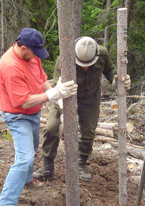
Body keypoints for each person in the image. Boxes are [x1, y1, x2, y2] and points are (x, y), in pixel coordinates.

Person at [0, 27, 77, 206]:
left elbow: (42, 80)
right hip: (18, 116)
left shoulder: (32, 56)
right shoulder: (10, 66)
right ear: (23, 48)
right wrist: (52, 95)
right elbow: (23, 102)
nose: (37, 57)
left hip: (33, 113)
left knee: (31, 151)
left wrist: (55, 94)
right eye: (34, 52)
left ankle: (28, 180)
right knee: (24, 159)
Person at [33, 36, 131, 182]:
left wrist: (118, 81)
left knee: (89, 131)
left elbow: (110, 71)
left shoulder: (102, 54)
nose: (85, 67)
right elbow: (57, 88)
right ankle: (47, 166)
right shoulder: (64, 59)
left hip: (90, 98)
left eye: (88, 64)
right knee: (51, 127)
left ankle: (81, 162)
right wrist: (62, 115)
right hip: (65, 96)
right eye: (81, 64)